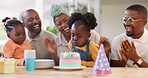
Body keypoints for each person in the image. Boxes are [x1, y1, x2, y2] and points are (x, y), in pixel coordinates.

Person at [43, 4, 110, 58]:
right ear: (56, 27)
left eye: (66, 20)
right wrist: (54, 53)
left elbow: (102, 62)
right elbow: (58, 66)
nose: (63, 25)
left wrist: (105, 52)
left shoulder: (92, 35)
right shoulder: (57, 42)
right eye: (59, 24)